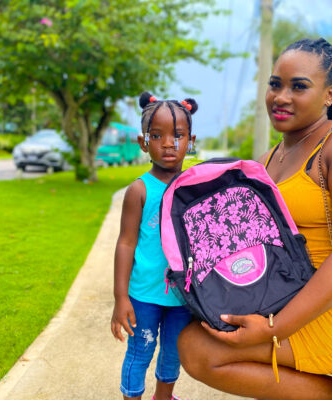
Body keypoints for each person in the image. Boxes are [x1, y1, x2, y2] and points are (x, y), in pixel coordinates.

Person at [177, 38, 332, 399]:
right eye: (275, 84)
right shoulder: (267, 159)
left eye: (299, 86)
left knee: (200, 351)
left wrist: (275, 328)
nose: (281, 96)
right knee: (196, 331)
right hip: (284, 296)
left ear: (329, 94)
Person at [111, 91, 197, 400]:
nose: (169, 143)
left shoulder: (194, 186)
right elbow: (126, 243)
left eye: (178, 135)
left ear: (191, 140)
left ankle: (164, 396)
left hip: (182, 297)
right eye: (157, 135)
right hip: (143, 296)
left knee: (173, 354)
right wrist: (121, 297)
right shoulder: (139, 190)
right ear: (143, 142)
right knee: (140, 351)